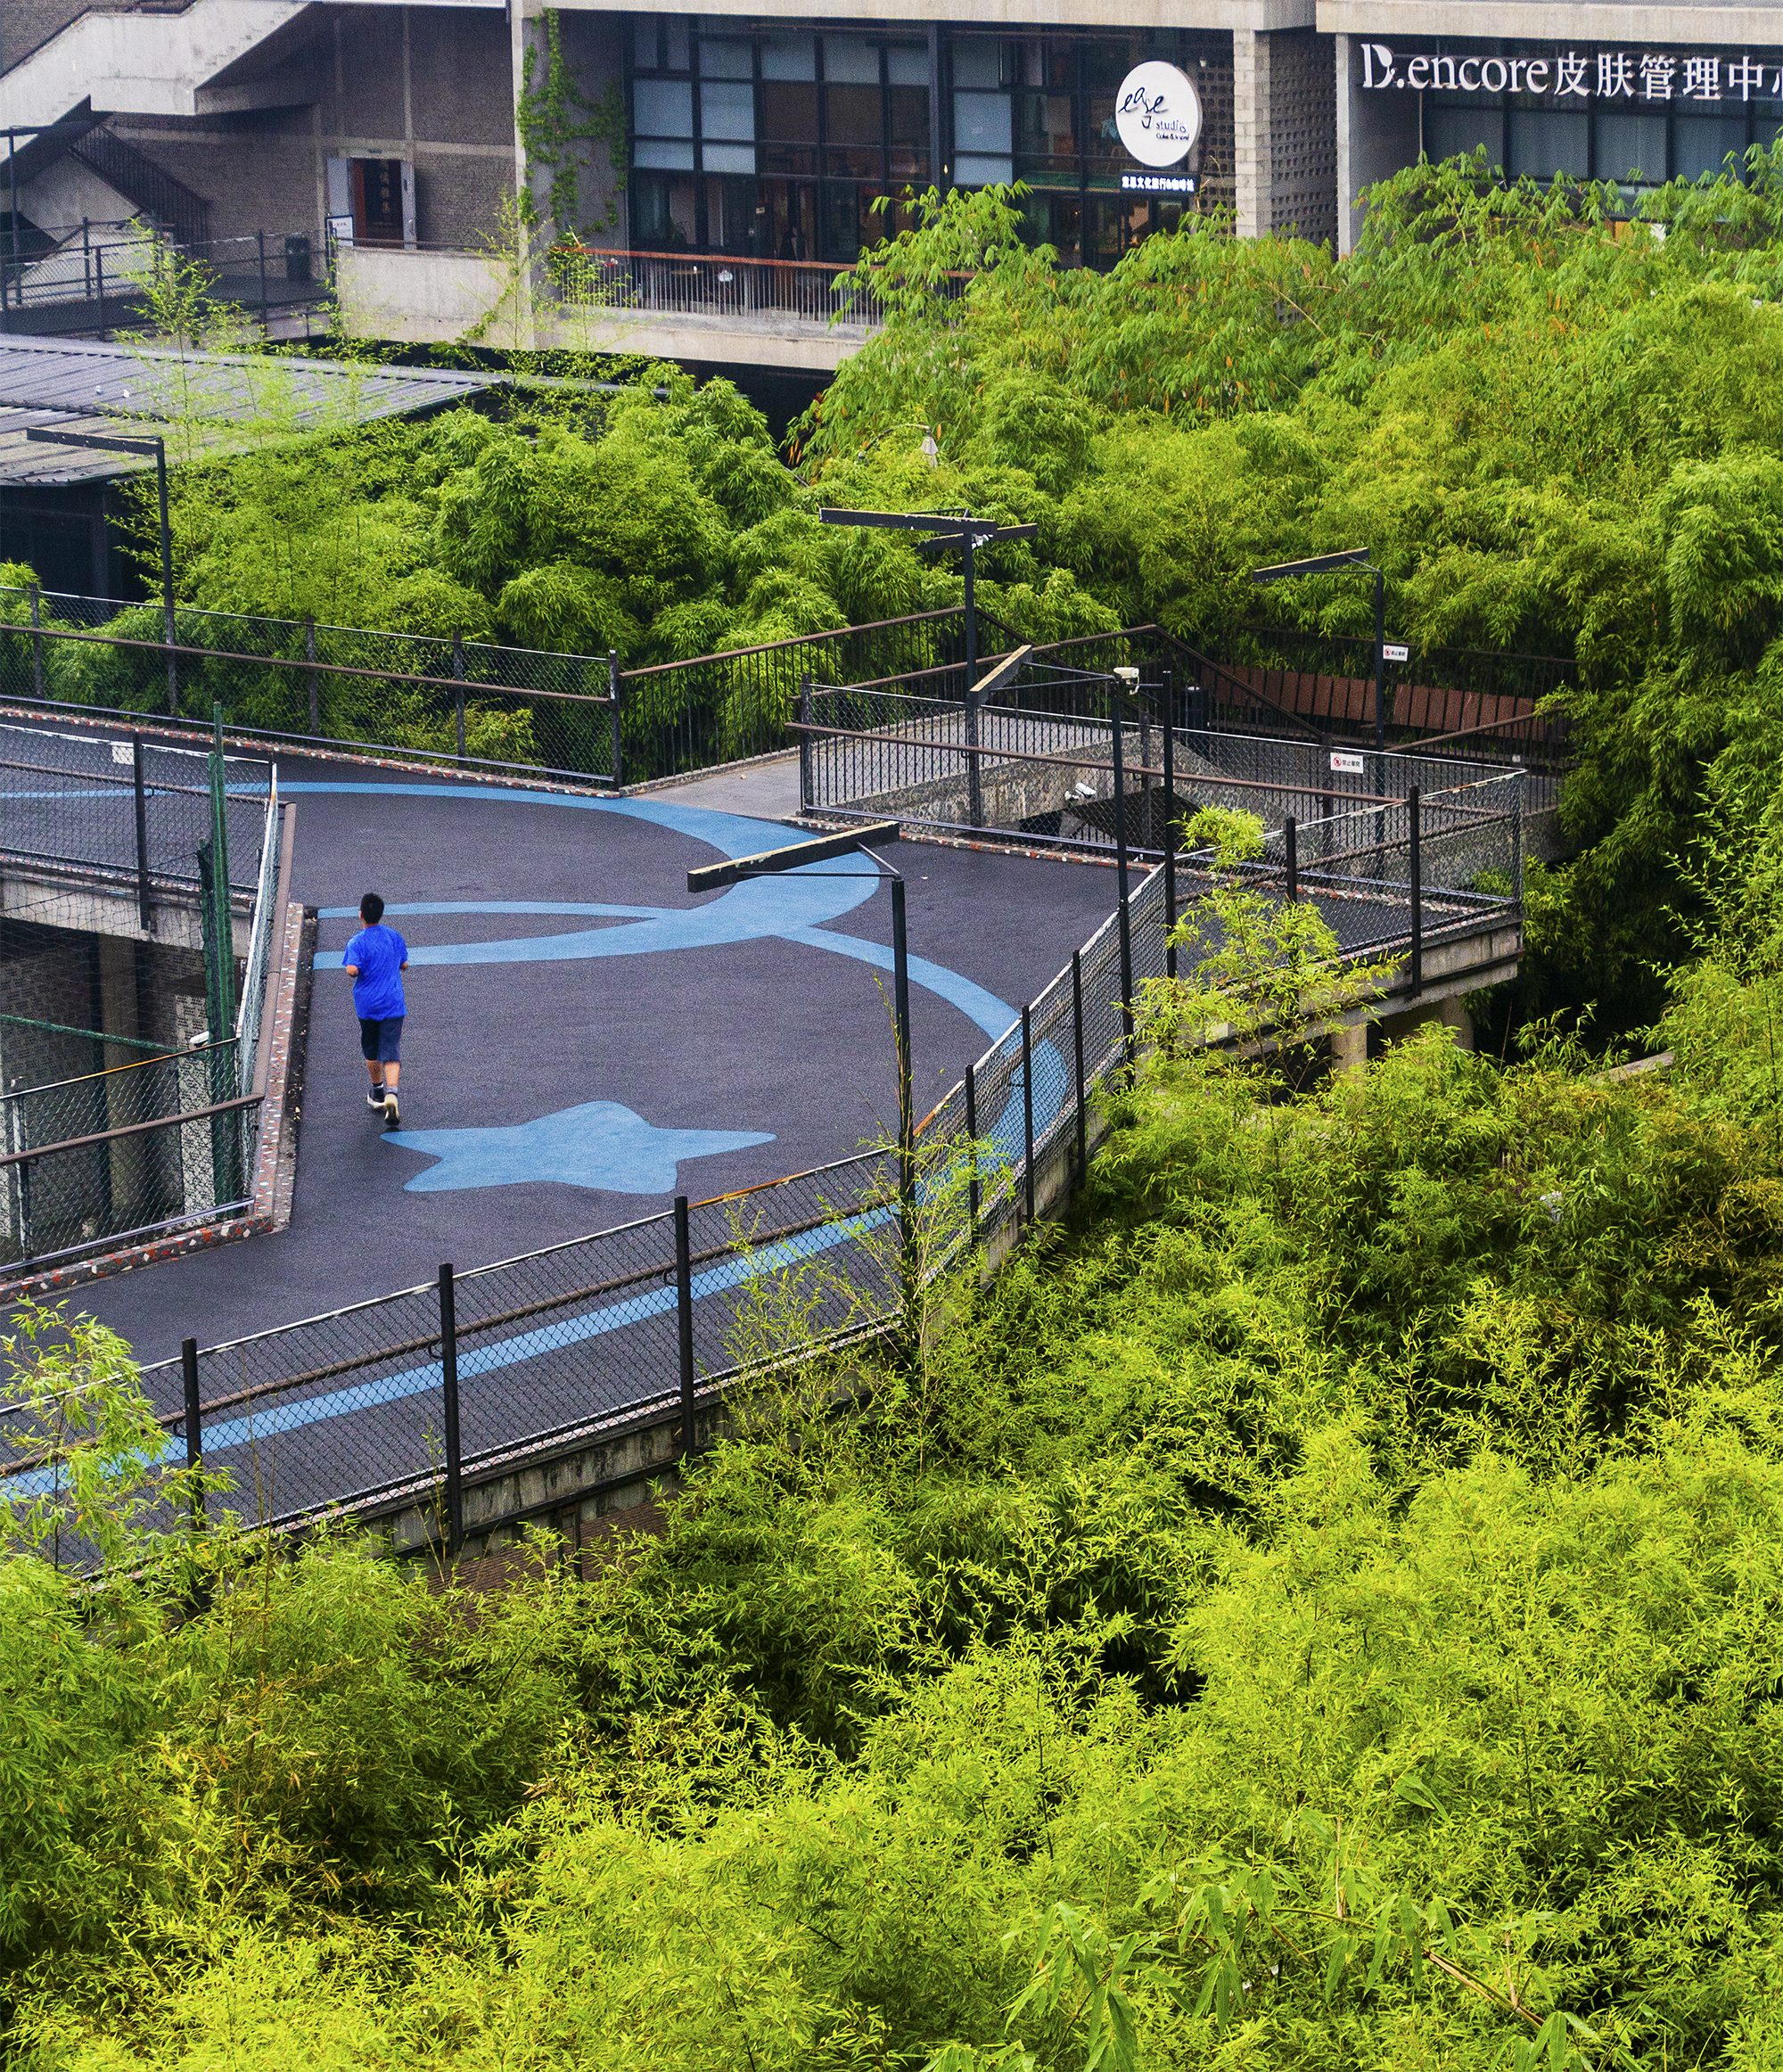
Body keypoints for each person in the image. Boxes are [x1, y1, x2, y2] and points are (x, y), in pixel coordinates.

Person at [342, 892, 408, 1127]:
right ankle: (393, 1093)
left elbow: (351, 969)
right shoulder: (394, 936)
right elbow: (404, 964)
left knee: (371, 1047)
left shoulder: (356, 942)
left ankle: (377, 1091)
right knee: (391, 1048)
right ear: (381, 913)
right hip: (393, 1002)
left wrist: (356, 970)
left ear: (361, 914)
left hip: (367, 1004)